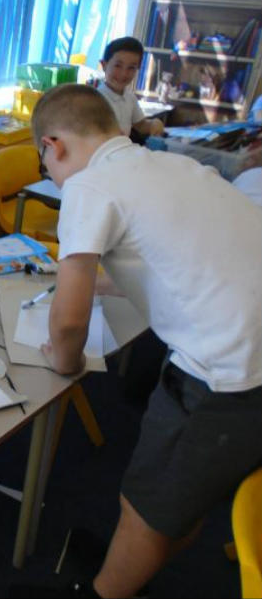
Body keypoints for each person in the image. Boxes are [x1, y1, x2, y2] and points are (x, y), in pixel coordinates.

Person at [20, 84, 262, 598]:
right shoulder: (174, 165)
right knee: (183, 499)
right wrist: (85, 282)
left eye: (47, 167)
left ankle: (105, 591)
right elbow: (165, 261)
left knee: (147, 509)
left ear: (51, 146)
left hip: (227, 374)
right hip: (248, 356)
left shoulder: (89, 185)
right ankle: (132, 569)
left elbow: (69, 325)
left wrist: (64, 361)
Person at [96, 37, 165, 138]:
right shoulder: (96, 99)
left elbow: (140, 125)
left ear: (138, 69)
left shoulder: (129, 96)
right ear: (104, 65)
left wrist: (152, 124)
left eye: (131, 68)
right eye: (118, 66)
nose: (123, 74)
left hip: (123, 147)